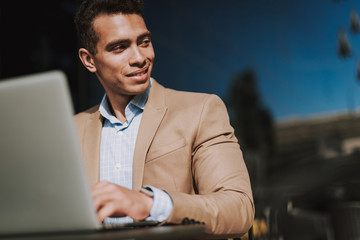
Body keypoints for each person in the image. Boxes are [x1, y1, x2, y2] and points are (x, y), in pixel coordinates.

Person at [74, 0, 254, 235]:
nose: (139, 57)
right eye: (120, 47)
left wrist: (151, 204)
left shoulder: (201, 110)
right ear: (89, 60)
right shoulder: (71, 131)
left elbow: (238, 210)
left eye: (144, 42)